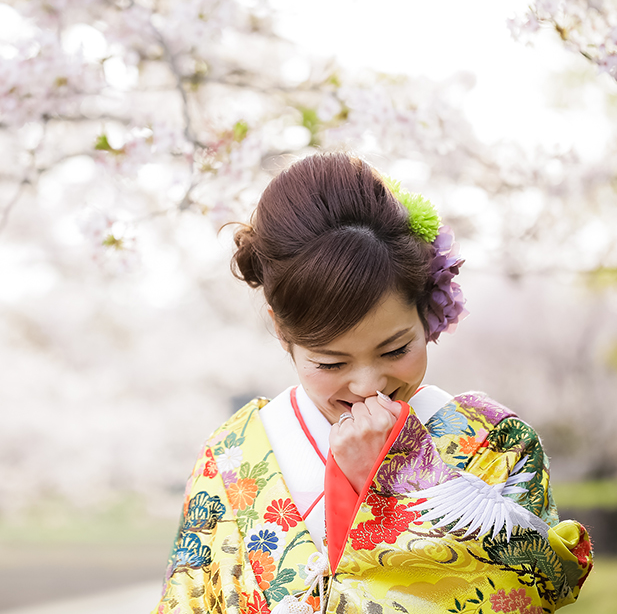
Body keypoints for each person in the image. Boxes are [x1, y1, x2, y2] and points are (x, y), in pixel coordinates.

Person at [153, 154, 592, 614]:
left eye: (395, 350)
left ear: (427, 312)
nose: (367, 385)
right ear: (282, 333)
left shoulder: (494, 443)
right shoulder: (229, 459)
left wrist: (396, 482)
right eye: (330, 362)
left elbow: (533, 590)